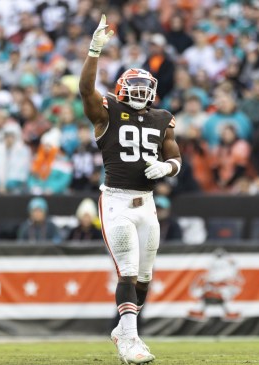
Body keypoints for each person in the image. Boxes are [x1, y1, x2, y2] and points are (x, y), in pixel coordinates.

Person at [79, 15, 182, 364]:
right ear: (122, 89)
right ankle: (129, 340)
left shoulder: (161, 117)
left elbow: (176, 157)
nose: (140, 93)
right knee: (127, 269)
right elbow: (84, 90)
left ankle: (126, 330)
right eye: (134, 87)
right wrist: (95, 50)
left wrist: (167, 167)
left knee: (145, 276)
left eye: (145, 87)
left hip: (148, 203)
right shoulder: (107, 111)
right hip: (117, 200)